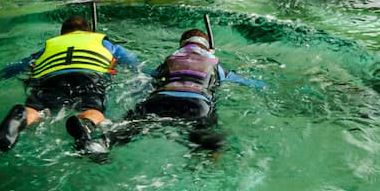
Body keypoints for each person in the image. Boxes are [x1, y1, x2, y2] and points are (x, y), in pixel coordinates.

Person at [0, 15, 142, 154]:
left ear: (62, 34)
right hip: (88, 77)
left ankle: (24, 114)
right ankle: (85, 124)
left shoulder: (49, 46)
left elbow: (15, 68)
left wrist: (1, 75)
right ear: (89, 31)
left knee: (37, 109)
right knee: (93, 109)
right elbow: (135, 64)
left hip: (51, 79)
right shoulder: (105, 43)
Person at [107, 28, 263, 154]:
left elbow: (148, 73)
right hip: (197, 105)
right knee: (209, 142)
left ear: (182, 45)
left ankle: (102, 144)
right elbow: (247, 82)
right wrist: (262, 85)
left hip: (159, 101)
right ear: (209, 48)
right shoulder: (216, 65)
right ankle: (206, 170)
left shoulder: (172, 59)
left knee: (127, 126)